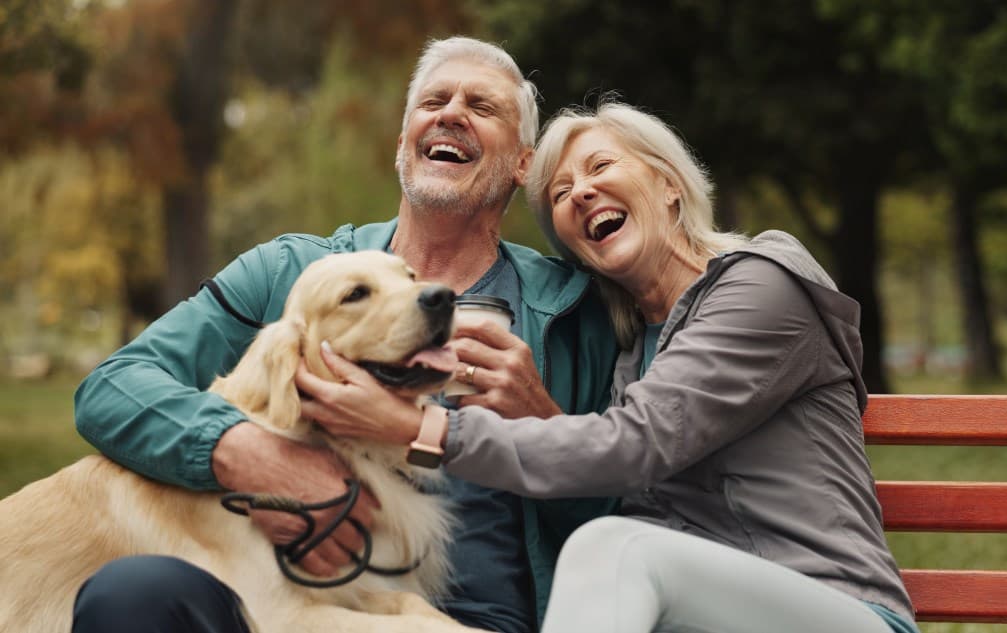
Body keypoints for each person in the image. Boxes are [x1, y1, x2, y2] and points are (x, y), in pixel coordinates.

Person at [296, 101, 920, 633]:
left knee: (613, 549)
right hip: (696, 616)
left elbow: (636, 443)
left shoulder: (760, 289)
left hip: (834, 605)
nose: (582, 192)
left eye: (599, 167)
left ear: (670, 184)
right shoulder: (629, 354)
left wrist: (416, 429)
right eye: (561, 194)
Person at [71, 37, 618, 633]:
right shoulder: (286, 274)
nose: (451, 113)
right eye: (434, 100)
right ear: (402, 142)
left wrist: (545, 428)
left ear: (523, 164)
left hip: (477, 617)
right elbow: (112, 389)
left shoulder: (575, 309)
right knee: (134, 592)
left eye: (482, 108)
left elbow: (623, 519)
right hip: (289, 604)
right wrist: (247, 455)